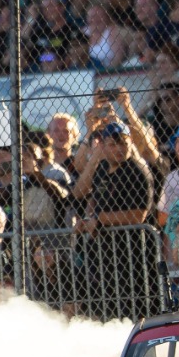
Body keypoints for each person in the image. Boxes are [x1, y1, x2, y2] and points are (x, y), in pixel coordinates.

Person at [72, 121, 159, 319]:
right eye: (112, 144)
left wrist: (100, 220)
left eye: (124, 143)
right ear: (102, 146)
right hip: (103, 255)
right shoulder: (102, 167)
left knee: (132, 314)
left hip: (131, 256)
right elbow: (80, 192)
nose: (119, 149)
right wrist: (88, 220)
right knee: (102, 311)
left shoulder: (137, 171)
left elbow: (138, 215)